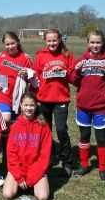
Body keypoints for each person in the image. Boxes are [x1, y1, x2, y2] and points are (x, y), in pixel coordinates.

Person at [70, 30, 105, 182]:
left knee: (101, 138)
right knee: (84, 136)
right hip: (83, 107)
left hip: (100, 107)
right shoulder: (81, 60)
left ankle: (103, 169)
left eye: (98, 42)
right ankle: (84, 165)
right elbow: (73, 81)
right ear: (87, 43)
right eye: (92, 42)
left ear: (103, 43)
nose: (95, 45)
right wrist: (77, 71)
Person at [31, 29, 75, 177]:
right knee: (45, 130)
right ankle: (47, 158)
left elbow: (74, 76)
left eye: (54, 40)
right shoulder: (40, 55)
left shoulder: (67, 55)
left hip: (61, 99)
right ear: (45, 41)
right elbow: (35, 77)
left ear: (60, 40)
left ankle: (67, 161)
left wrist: (63, 69)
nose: (52, 43)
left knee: (61, 130)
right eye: (49, 41)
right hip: (43, 99)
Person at [0, 31, 35, 171]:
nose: (10, 46)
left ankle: (10, 156)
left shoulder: (25, 57)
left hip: (19, 97)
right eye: (7, 44)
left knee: (14, 127)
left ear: (18, 42)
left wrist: (27, 74)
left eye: (12, 43)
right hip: (3, 94)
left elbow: (33, 79)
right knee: (5, 118)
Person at [2, 92, 51, 200]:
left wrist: (31, 178)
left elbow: (44, 156)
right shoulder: (15, 126)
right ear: (20, 105)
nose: (28, 108)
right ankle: (19, 184)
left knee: (43, 197)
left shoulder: (43, 126)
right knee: (7, 194)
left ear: (36, 105)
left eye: (32, 105)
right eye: (26, 105)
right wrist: (19, 177)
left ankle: (32, 185)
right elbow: (11, 153)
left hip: (36, 171)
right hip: (18, 169)